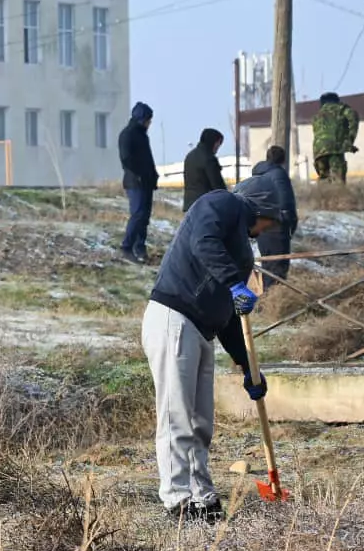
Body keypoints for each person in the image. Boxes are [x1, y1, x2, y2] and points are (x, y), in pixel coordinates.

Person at [142, 175, 287, 520]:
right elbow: (203, 242)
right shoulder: (220, 204)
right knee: (177, 416)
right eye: (271, 219)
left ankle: (202, 498)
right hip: (173, 318)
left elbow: (232, 318)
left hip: (202, 328)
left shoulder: (240, 247)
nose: (269, 228)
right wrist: (235, 283)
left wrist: (247, 368)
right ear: (260, 207)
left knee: (200, 421)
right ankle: (177, 501)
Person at [250, 145, 299, 280]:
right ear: (283, 160)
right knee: (278, 269)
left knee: (267, 266)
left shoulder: (257, 174)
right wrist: (291, 224)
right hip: (277, 225)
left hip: (260, 225)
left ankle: (266, 297)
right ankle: (273, 298)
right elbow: (286, 202)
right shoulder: (279, 174)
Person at [118, 102, 158, 263]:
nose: (150, 123)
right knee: (138, 214)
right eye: (148, 119)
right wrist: (140, 174)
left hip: (146, 182)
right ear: (141, 119)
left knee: (144, 217)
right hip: (135, 182)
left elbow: (147, 158)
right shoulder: (128, 134)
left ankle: (140, 248)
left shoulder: (142, 135)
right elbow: (126, 159)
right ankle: (126, 247)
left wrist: (152, 175)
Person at [312, 92, 360, 183]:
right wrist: (350, 141)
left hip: (318, 151)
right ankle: (338, 196)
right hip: (335, 149)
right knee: (338, 180)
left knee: (324, 179)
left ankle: (320, 196)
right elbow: (353, 119)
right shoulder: (342, 109)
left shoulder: (317, 115)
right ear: (337, 101)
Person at [180, 127, 228, 213]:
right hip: (206, 206)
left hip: (190, 206)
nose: (218, 147)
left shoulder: (190, 156)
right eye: (218, 143)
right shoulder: (209, 159)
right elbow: (217, 186)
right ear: (213, 142)